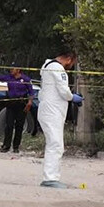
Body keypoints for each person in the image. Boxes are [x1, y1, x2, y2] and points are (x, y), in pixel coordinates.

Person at [38, 50, 83, 188]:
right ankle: (50, 178)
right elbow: (64, 91)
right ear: (69, 59)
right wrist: (73, 97)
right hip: (53, 113)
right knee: (55, 144)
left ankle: (51, 177)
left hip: (48, 110)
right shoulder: (58, 68)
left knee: (54, 143)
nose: (71, 66)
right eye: (73, 63)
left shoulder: (47, 66)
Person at [0, 63, 33, 153]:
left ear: (18, 70)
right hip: (11, 103)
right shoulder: (9, 78)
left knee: (19, 126)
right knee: (9, 125)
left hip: (21, 104)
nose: (11, 70)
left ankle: (16, 147)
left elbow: (31, 92)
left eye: (13, 68)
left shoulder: (25, 79)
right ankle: (6, 146)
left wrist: (30, 102)